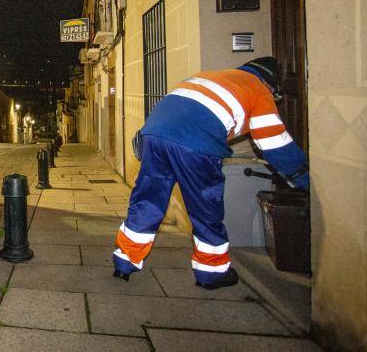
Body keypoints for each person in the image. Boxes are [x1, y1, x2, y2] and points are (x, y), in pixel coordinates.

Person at [113, 57, 308, 289]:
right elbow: (277, 147)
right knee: (205, 208)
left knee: (147, 201)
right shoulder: (258, 90)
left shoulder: (209, 76)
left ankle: (125, 261)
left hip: (153, 136)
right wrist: (305, 179)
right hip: (195, 146)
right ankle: (211, 272)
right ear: (270, 84)